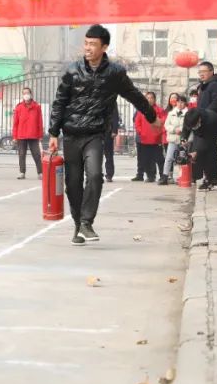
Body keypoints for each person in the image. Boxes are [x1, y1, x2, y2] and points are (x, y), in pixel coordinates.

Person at [48, 24, 162, 245]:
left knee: (94, 176)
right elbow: (59, 101)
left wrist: (151, 116)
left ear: (104, 47)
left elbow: (134, 95)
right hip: (71, 134)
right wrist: (53, 132)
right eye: (86, 43)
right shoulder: (72, 71)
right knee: (73, 183)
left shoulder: (115, 73)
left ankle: (87, 222)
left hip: (95, 134)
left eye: (93, 44)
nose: (88, 48)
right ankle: (78, 224)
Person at [195, 61, 217, 187]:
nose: (201, 74)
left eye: (204, 71)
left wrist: (204, 115)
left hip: (213, 125)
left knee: (212, 153)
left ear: (211, 71)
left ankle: (213, 181)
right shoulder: (204, 86)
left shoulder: (215, 85)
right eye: (199, 72)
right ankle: (208, 179)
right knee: (205, 152)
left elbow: (216, 103)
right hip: (205, 124)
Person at [181, 107, 217, 190]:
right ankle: (201, 177)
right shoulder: (189, 117)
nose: (192, 128)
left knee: (211, 154)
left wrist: (197, 152)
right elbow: (186, 128)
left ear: (199, 119)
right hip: (202, 132)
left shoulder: (210, 120)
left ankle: (214, 181)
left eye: (194, 126)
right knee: (198, 152)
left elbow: (207, 142)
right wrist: (183, 139)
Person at [132, 91, 167, 183]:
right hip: (145, 139)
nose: (149, 100)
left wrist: (159, 133)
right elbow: (137, 123)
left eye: (151, 98)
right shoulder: (141, 110)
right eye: (148, 98)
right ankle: (150, 176)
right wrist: (141, 132)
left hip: (156, 140)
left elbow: (163, 122)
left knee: (159, 159)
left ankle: (163, 176)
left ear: (154, 99)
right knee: (147, 159)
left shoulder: (160, 110)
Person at [12, 87, 43, 180]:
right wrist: (14, 136)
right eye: (24, 93)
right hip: (21, 135)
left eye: (27, 93)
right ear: (22, 95)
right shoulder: (19, 107)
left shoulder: (37, 107)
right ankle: (22, 172)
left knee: (37, 154)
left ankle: (40, 172)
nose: (26, 95)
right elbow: (15, 123)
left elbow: (40, 122)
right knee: (21, 154)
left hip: (33, 135)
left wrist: (40, 135)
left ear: (31, 94)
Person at [159, 93, 188, 185]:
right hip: (173, 139)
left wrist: (182, 130)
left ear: (185, 103)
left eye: (182, 102)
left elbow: (189, 126)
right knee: (169, 158)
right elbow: (166, 125)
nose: (180, 104)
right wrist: (174, 130)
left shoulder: (188, 114)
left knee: (182, 159)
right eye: (178, 102)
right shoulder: (171, 113)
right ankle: (165, 177)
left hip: (183, 140)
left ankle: (182, 178)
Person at [103, 105, 122, 182]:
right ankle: (96, 174)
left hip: (108, 131)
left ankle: (109, 174)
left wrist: (114, 130)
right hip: (96, 131)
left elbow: (115, 116)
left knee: (109, 154)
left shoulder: (111, 100)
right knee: (95, 154)